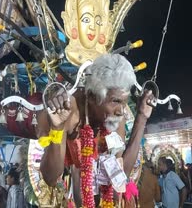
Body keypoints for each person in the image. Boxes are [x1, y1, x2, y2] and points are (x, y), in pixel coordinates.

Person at [39, 53, 154, 206]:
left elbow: (122, 173)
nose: (121, 110)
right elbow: (51, 178)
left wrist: (141, 118)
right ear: (92, 97)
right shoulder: (69, 111)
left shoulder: (114, 116)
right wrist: (57, 127)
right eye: (115, 101)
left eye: (124, 102)